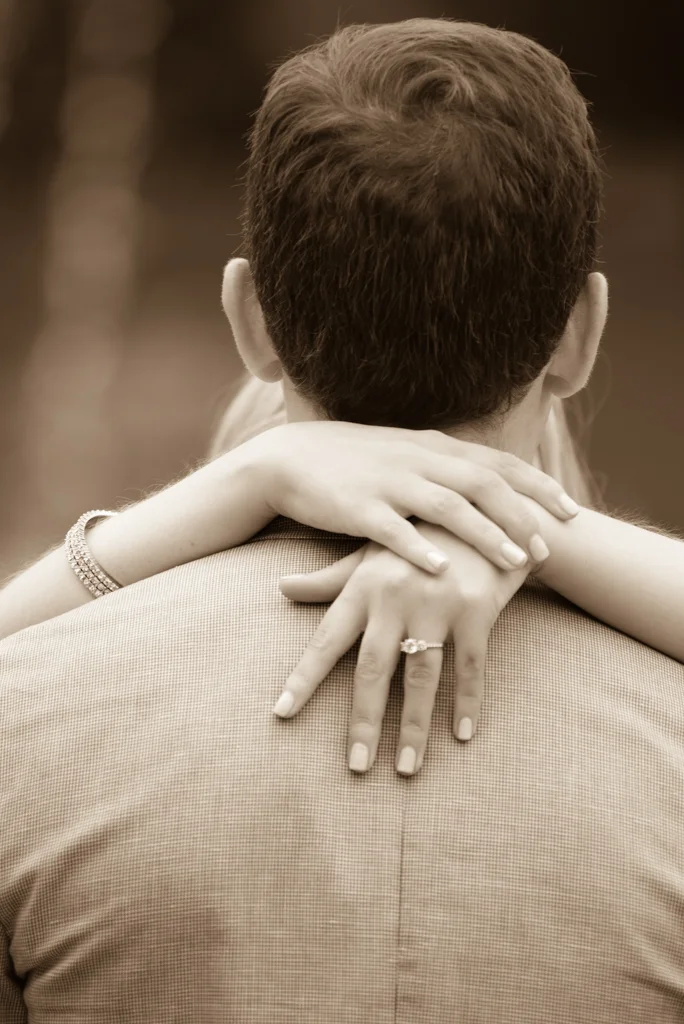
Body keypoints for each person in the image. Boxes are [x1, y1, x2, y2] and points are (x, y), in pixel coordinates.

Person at [1, 18, 683, 1023]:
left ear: (251, 321)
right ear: (582, 333)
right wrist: (532, 530)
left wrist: (234, 485)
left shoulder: (30, 724)